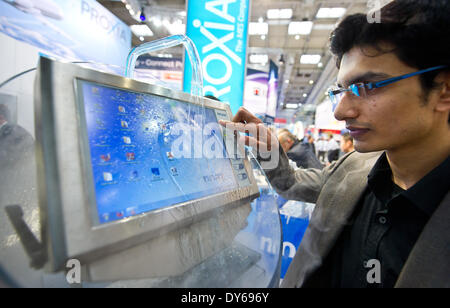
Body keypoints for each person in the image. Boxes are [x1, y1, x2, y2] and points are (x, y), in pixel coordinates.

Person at [220, 0, 450, 288]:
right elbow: (291, 184)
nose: (341, 112)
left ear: (443, 91)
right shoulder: (354, 167)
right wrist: (268, 151)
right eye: (341, 90)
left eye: (367, 87)